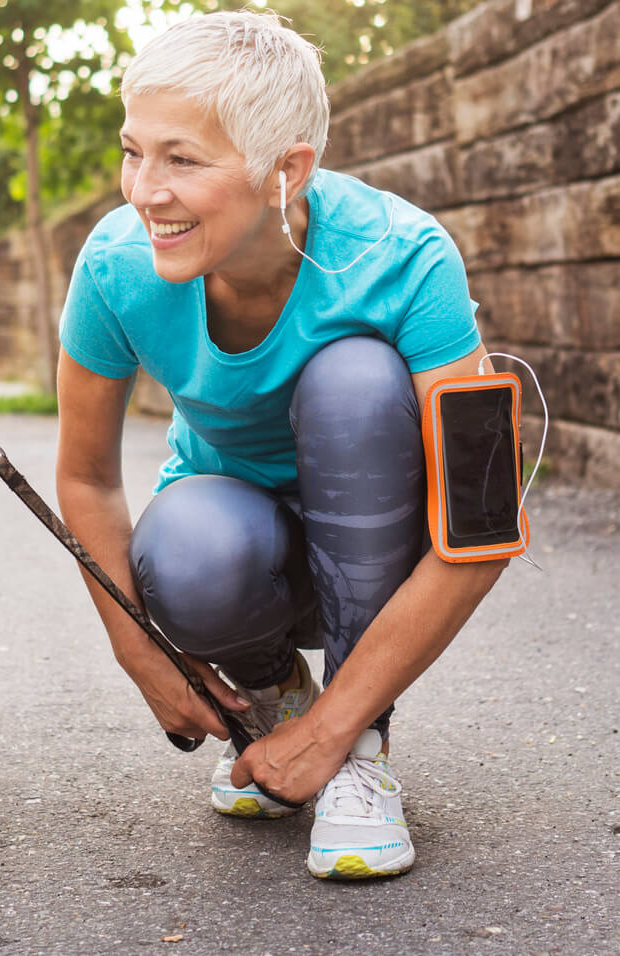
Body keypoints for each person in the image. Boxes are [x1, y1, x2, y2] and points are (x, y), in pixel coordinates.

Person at [55, 9, 507, 880]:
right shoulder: (115, 266)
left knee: (356, 381)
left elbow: (483, 524)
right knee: (184, 547)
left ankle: (358, 747)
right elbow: (84, 478)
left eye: (182, 158)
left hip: (390, 550)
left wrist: (333, 733)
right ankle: (270, 696)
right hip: (244, 560)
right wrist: (142, 653)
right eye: (133, 149)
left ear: (285, 171)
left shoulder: (405, 257)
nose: (143, 189)